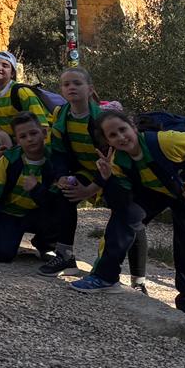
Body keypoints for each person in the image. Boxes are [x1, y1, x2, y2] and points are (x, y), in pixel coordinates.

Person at [71, 110, 185, 318]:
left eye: (123, 130)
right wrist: (108, 178)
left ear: (133, 127)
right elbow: (120, 202)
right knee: (124, 218)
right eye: (113, 135)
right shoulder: (118, 162)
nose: (121, 137)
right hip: (154, 188)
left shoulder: (165, 141)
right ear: (107, 141)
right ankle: (105, 276)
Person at [47, 67, 147, 283]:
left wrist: (91, 189)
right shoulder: (60, 116)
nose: (71, 87)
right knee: (64, 193)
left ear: (90, 89)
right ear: (61, 90)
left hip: (117, 174)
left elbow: (115, 159)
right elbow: (58, 151)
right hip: (88, 171)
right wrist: (61, 175)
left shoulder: (102, 119)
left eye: (77, 83)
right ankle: (65, 256)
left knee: (130, 215)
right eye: (66, 84)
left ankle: (138, 280)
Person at [0, 112, 71, 265]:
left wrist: (36, 189)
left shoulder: (54, 161)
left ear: (44, 133)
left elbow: (56, 202)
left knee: (61, 209)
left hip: (37, 213)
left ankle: (46, 245)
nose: (30, 139)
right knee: (2, 255)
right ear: (17, 141)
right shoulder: (9, 159)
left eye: (33, 133)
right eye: (23, 136)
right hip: (8, 212)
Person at [0, 52, 51, 154]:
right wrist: (2, 135)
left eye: (5, 66)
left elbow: (42, 124)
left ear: (12, 73)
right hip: (8, 138)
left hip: (32, 139)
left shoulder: (22, 92)